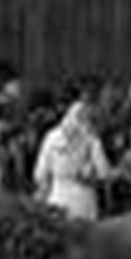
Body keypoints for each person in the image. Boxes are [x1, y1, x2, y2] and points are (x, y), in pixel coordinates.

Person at [34, 84, 112, 221]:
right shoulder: (92, 139)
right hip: (84, 204)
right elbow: (105, 173)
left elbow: (40, 174)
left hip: (57, 201)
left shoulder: (51, 137)